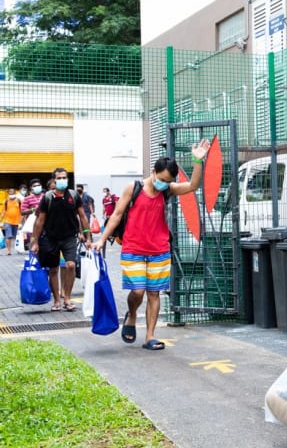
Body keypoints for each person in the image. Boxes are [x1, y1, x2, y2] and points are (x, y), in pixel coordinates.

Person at [92, 141, 210, 351]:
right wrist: (102, 239)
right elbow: (117, 215)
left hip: (159, 249)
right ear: (154, 172)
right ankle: (132, 314)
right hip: (133, 248)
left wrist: (197, 160)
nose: (165, 184)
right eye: (162, 179)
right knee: (137, 292)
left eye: (169, 181)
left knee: (153, 293)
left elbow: (192, 185)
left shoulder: (167, 190)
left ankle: (150, 336)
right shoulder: (134, 188)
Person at [30, 168, 92, 311]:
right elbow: (39, 221)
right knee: (53, 270)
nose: (62, 180)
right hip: (50, 238)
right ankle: (57, 300)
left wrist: (87, 236)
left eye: (64, 177)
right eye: (59, 178)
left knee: (70, 265)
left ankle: (67, 298)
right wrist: (35, 242)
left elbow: (82, 216)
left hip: (69, 237)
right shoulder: (47, 198)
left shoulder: (74, 196)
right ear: (54, 180)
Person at [20, 178, 45, 250]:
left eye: (38, 185)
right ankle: (32, 253)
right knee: (32, 239)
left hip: (45, 224)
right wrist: (33, 209)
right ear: (31, 188)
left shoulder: (46, 196)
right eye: (35, 186)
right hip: (32, 226)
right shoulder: (27, 199)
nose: (37, 187)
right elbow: (22, 212)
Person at [1, 188, 22, 255]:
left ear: (15, 193)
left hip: (17, 221)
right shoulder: (6, 201)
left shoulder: (19, 201)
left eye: (12, 193)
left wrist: (21, 222)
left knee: (17, 236)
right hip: (7, 221)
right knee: (8, 236)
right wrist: (0, 221)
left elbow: (22, 212)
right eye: (10, 193)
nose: (11, 194)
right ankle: (8, 250)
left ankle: (19, 248)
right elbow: (3, 211)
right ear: (8, 194)